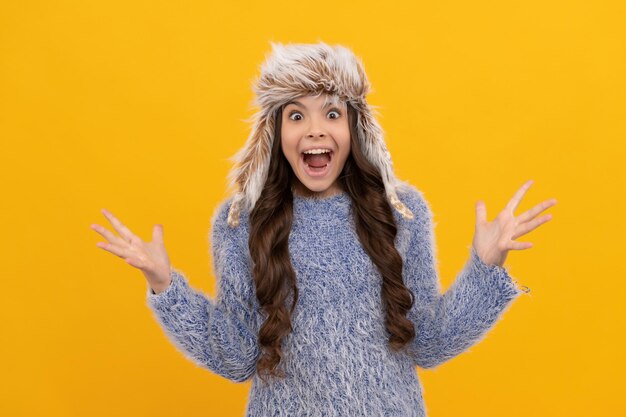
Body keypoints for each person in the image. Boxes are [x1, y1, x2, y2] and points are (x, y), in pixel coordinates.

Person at [90, 41, 557, 417]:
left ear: (356, 127)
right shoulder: (241, 222)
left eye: (332, 113)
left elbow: (429, 343)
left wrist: (487, 266)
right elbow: (235, 358)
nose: (315, 130)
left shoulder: (401, 212)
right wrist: (164, 285)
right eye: (296, 115)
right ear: (276, 132)